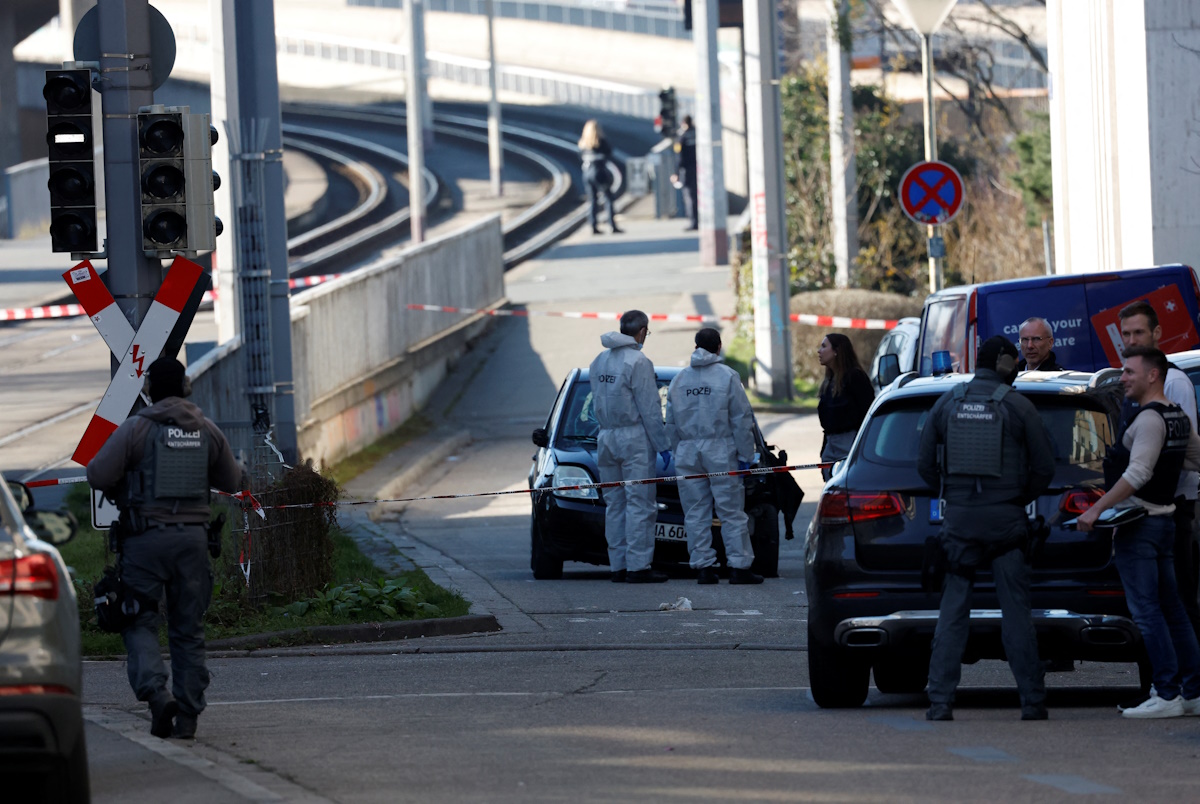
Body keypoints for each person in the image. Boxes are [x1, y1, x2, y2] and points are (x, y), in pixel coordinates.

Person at [86, 357, 240, 740]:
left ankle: (158, 696)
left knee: (138, 620)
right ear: (186, 387)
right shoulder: (207, 430)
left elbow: (97, 474)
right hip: (193, 543)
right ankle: (188, 716)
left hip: (145, 542)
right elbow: (233, 480)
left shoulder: (137, 429)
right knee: (188, 630)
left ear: (149, 389)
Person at [917, 336, 1056, 721]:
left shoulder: (947, 403)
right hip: (1006, 524)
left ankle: (940, 702)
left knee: (953, 612)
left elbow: (925, 465)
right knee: (1015, 613)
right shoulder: (1018, 406)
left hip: (959, 522)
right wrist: (1014, 497)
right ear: (1005, 363)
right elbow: (1045, 468)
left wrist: (954, 496)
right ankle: (1032, 701)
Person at [1078, 346, 1200, 718]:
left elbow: (1137, 474)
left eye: (1130, 372)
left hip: (1141, 525)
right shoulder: (1176, 416)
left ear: (1152, 375)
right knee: (1173, 609)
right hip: (1164, 521)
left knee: (1147, 612)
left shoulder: (1149, 420)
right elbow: (1196, 458)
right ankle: (1192, 692)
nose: (1123, 378)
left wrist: (1097, 509)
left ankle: (1166, 693)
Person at [1116, 299, 1200, 649]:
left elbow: (1181, 451)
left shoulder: (1172, 383)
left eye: (1139, 332)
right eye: (1126, 334)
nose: (1132, 340)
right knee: (1159, 603)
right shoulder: (1132, 380)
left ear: (1157, 333)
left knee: (1173, 602)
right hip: (1143, 509)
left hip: (1172, 505)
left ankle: (1179, 686)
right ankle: (1171, 685)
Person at [665, 328, 762, 585]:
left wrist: (678, 450)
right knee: (731, 511)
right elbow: (741, 419)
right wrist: (746, 454)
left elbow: (671, 422)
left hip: (687, 451)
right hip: (721, 450)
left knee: (695, 511)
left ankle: (703, 568)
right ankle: (739, 567)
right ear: (718, 347)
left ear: (695, 345)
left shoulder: (679, 380)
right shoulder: (728, 377)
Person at [590, 310, 671, 583]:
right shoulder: (638, 361)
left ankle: (618, 566)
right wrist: (662, 445)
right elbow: (649, 408)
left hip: (606, 437)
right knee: (640, 504)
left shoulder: (599, 361)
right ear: (643, 331)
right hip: (633, 438)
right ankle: (638, 567)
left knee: (615, 504)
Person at [816, 333, 874, 481]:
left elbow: (867, 413)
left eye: (824, 346)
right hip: (831, 446)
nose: (819, 351)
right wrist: (824, 451)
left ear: (836, 351)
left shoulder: (855, 377)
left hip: (850, 443)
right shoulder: (829, 382)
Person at [578, 119, 621, 235]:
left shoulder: (583, 144)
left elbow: (580, 156)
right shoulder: (601, 142)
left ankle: (593, 225)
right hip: (600, 172)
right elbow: (609, 153)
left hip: (587, 173)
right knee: (608, 198)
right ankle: (612, 225)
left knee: (592, 200)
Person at [670, 115, 699, 231]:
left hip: (687, 171)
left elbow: (679, 158)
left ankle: (693, 222)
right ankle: (698, 220)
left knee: (689, 197)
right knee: (697, 196)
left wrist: (676, 173)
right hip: (698, 169)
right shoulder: (697, 134)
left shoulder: (682, 138)